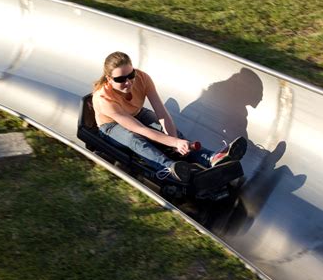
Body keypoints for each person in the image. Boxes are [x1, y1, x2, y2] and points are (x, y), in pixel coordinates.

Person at [92, 51, 247, 182]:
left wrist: (175, 141)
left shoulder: (142, 78)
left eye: (130, 75)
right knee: (135, 140)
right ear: (108, 78)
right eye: (120, 79)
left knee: (170, 133)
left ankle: (212, 157)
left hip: (137, 114)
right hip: (111, 126)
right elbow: (140, 130)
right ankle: (169, 168)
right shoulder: (104, 99)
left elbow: (161, 112)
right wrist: (174, 142)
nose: (128, 82)